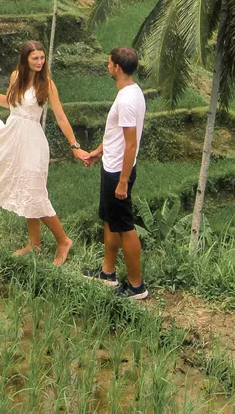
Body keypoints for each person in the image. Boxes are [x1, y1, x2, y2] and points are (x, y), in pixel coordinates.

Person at [0, 39, 85, 265]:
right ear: (25, 59)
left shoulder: (47, 84)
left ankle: (63, 241)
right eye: (35, 58)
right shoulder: (16, 77)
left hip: (32, 141)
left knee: (34, 191)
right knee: (24, 188)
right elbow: (8, 102)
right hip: (13, 136)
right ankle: (35, 244)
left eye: (42, 58)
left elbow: (60, 117)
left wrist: (75, 146)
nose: (40, 62)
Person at [82, 46, 148, 299]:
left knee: (125, 226)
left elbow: (131, 144)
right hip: (111, 166)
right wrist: (99, 151)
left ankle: (136, 287)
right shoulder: (130, 92)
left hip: (118, 172)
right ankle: (107, 273)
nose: (107, 66)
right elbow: (116, 136)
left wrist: (122, 181)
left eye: (109, 63)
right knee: (110, 220)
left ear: (117, 68)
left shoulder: (128, 100)